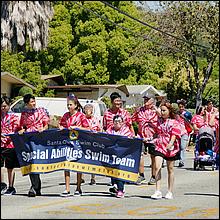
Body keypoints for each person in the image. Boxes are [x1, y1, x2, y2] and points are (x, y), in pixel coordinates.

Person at [18, 94, 50, 197]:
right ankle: (35, 187)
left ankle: (35, 187)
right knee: (31, 162)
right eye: (31, 102)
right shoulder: (24, 113)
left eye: (34, 101)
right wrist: (22, 130)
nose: (34, 103)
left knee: (37, 162)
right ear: (27, 103)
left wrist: (43, 129)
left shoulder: (41, 111)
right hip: (28, 140)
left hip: (39, 140)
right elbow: (22, 126)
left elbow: (46, 125)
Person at [59, 95, 90, 197]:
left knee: (78, 166)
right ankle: (67, 189)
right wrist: (61, 127)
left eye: (71, 105)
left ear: (76, 105)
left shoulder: (81, 116)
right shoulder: (65, 116)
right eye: (68, 105)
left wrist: (77, 127)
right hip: (67, 143)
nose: (69, 107)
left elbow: (88, 128)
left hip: (78, 143)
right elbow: (61, 125)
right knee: (66, 165)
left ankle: (78, 188)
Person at [150, 100, 181, 200]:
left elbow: (174, 135)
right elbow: (157, 113)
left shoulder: (174, 122)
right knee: (157, 167)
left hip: (171, 148)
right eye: (161, 110)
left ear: (169, 111)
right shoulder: (159, 120)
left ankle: (170, 191)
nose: (162, 112)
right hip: (160, 145)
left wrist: (171, 143)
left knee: (170, 169)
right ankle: (157, 190)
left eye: (164, 110)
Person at [132, 96, 160, 185]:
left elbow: (162, 118)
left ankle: (154, 176)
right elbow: (132, 120)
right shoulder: (140, 110)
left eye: (148, 99)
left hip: (153, 137)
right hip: (142, 136)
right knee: (140, 155)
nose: (146, 101)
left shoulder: (156, 111)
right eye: (145, 99)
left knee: (153, 157)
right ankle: (141, 175)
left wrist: (156, 109)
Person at [106, 115, 134, 198]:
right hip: (112, 155)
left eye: (119, 121)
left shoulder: (126, 130)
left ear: (122, 123)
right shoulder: (109, 130)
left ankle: (121, 190)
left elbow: (130, 140)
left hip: (122, 156)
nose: (117, 123)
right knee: (112, 171)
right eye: (115, 121)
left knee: (120, 172)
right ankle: (115, 186)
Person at [1, 96, 20, 195]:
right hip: (1, 143)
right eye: (1, 106)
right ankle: (1, 185)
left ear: (9, 105)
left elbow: (16, 130)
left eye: (4, 106)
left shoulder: (14, 117)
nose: (3, 108)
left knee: (10, 167)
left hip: (10, 144)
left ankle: (11, 187)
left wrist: (7, 136)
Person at [83, 103, 102, 185]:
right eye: (86, 109)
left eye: (90, 109)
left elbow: (99, 129)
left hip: (93, 141)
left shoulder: (95, 119)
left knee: (93, 159)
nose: (88, 111)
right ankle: (81, 178)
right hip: (83, 141)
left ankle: (93, 178)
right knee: (82, 159)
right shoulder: (82, 119)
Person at [176, 99, 193, 167]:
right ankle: (178, 158)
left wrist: (184, 118)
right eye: (180, 107)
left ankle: (181, 161)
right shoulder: (176, 114)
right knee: (177, 147)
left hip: (185, 132)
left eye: (182, 107)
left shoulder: (188, 114)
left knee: (182, 147)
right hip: (177, 132)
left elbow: (191, 122)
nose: (181, 108)